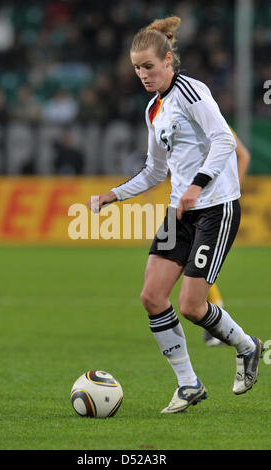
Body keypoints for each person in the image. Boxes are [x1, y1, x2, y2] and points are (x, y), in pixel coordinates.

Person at [87, 16, 264, 414]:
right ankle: (189, 384)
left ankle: (247, 345)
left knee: (191, 306)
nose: (142, 74)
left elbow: (224, 141)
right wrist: (112, 195)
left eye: (148, 66)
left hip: (215, 209)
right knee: (152, 296)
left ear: (168, 60)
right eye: (136, 68)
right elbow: (154, 169)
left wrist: (197, 186)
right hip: (178, 212)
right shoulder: (154, 108)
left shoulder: (193, 92)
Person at [204, 133, 251, 346]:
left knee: (195, 262)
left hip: (214, 205)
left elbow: (244, 155)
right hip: (196, 201)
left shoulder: (216, 124)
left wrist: (234, 187)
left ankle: (217, 319)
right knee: (189, 260)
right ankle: (216, 317)